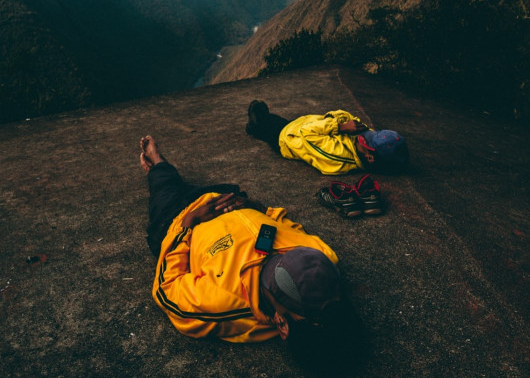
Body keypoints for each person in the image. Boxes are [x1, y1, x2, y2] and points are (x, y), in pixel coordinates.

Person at [140, 135, 364, 364]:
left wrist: (189, 222)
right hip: (229, 197)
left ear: (281, 324)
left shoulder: (222, 302)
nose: (288, 257)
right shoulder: (324, 260)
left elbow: (167, 287)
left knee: (164, 185)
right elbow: (289, 225)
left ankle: (157, 164)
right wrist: (257, 207)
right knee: (182, 182)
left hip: (177, 216)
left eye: (283, 277)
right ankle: (161, 170)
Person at [245, 100, 408, 176]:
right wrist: (349, 124)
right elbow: (342, 115)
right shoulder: (365, 143)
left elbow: (306, 134)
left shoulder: (339, 158)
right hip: (298, 124)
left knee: (265, 124)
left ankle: (254, 126)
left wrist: (341, 127)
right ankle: (258, 119)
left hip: (286, 140)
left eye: (367, 139)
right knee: (271, 118)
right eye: (372, 133)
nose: (365, 134)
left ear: (370, 157)